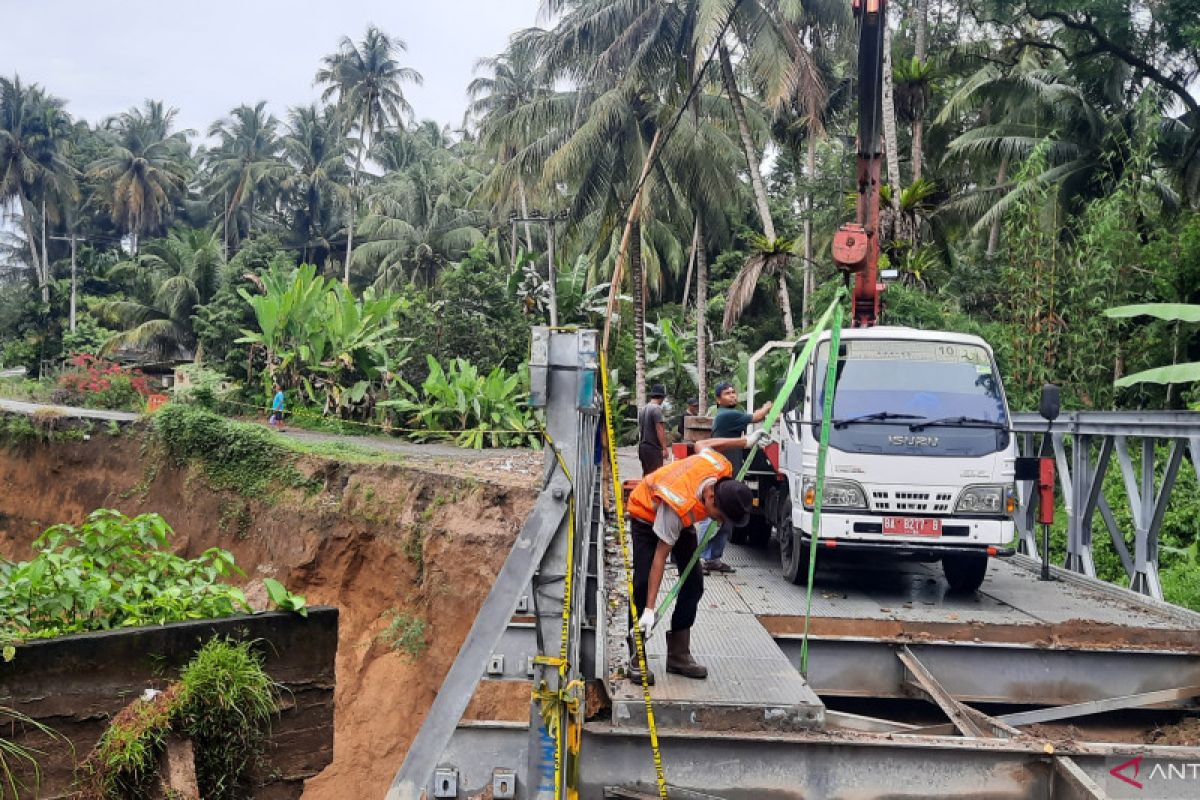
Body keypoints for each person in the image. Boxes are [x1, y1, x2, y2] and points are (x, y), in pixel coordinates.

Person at [625, 431, 763, 682]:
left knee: (693, 584)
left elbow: (702, 443)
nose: (719, 522)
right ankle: (637, 653)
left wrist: (745, 442)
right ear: (711, 496)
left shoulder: (719, 466)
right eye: (719, 516)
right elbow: (660, 558)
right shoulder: (677, 506)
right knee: (643, 584)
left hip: (683, 517)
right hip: (647, 514)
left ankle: (678, 654)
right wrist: (649, 609)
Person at [701, 382, 772, 574]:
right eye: (727, 393)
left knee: (726, 518)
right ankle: (697, 558)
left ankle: (713, 559)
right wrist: (768, 406)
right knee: (711, 517)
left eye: (734, 392)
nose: (732, 396)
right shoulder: (728, 415)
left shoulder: (730, 415)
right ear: (718, 400)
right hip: (719, 474)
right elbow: (758, 416)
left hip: (728, 473)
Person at [637, 384, 670, 475]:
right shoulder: (656, 410)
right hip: (653, 449)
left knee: (646, 475)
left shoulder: (643, 409)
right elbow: (660, 429)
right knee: (656, 476)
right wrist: (664, 448)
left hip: (643, 448)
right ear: (662, 397)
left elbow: (641, 428)